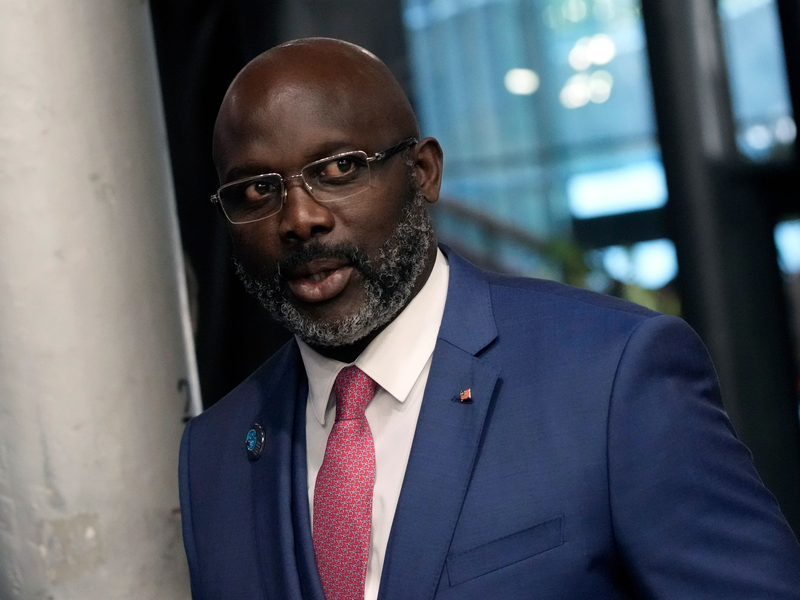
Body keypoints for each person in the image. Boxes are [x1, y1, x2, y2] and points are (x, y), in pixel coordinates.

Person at [178, 38, 800, 599]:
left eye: (339, 168)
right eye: (257, 190)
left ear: (423, 172)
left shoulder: (610, 377)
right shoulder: (214, 455)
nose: (299, 219)